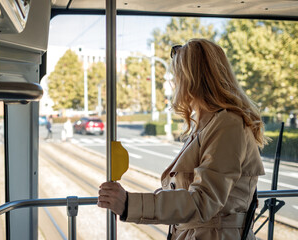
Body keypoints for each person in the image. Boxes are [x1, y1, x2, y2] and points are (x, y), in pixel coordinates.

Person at [98, 39, 266, 240]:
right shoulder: (208, 124)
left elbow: (203, 201)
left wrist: (129, 204)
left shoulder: (228, 125)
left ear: (191, 78)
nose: (173, 81)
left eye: (176, 74)